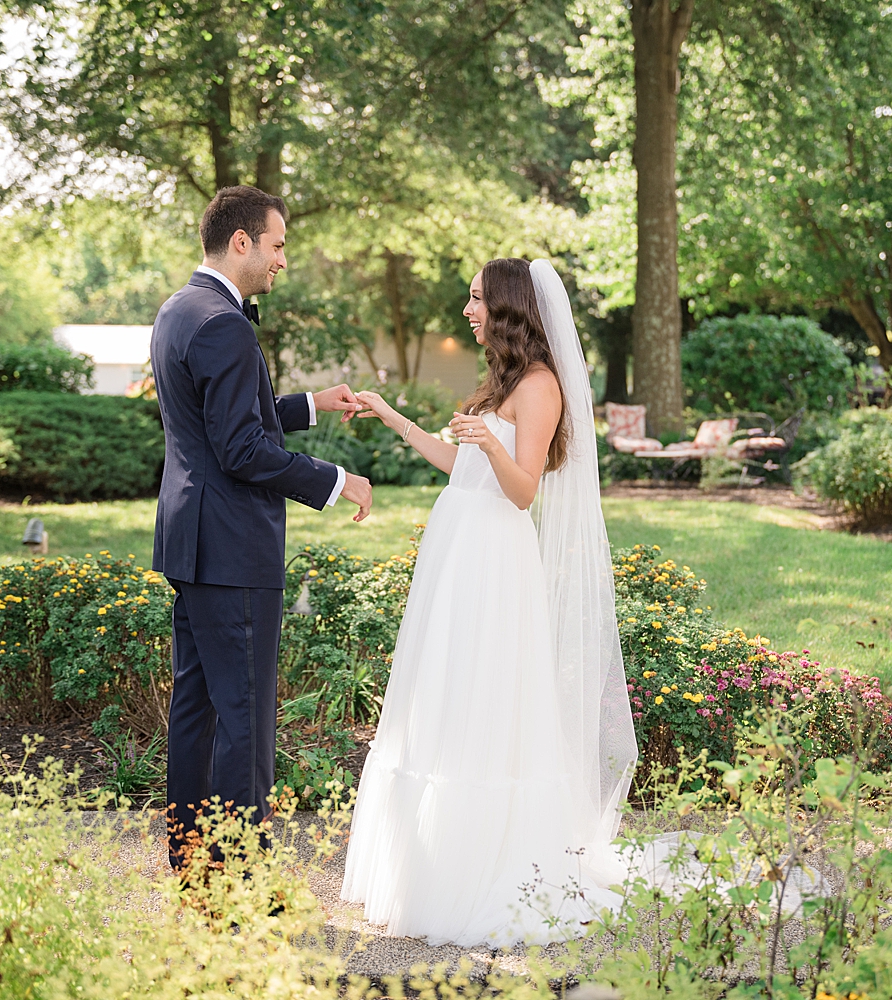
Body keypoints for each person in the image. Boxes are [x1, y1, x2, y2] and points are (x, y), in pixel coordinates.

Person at [342, 258, 637, 945]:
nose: (467, 309)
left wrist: (485, 441)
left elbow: (524, 487)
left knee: (485, 697)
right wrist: (393, 417)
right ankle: (430, 858)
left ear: (507, 308)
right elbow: (461, 466)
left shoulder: (539, 386)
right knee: (443, 691)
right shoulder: (501, 381)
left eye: (476, 299)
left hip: (497, 559)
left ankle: (485, 866)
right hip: (458, 551)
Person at [149, 185, 373, 869]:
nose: (282, 261)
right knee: (244, 717)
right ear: (241, 242)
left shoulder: (180, 310)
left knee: (197, 709)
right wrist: (335, 480)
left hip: (192, 546)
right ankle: (240, 869)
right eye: (277, 246)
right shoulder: (226, 324)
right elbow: (241, 449)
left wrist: (307, 404)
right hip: (234, 552)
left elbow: (226, 418)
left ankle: (191, 860)